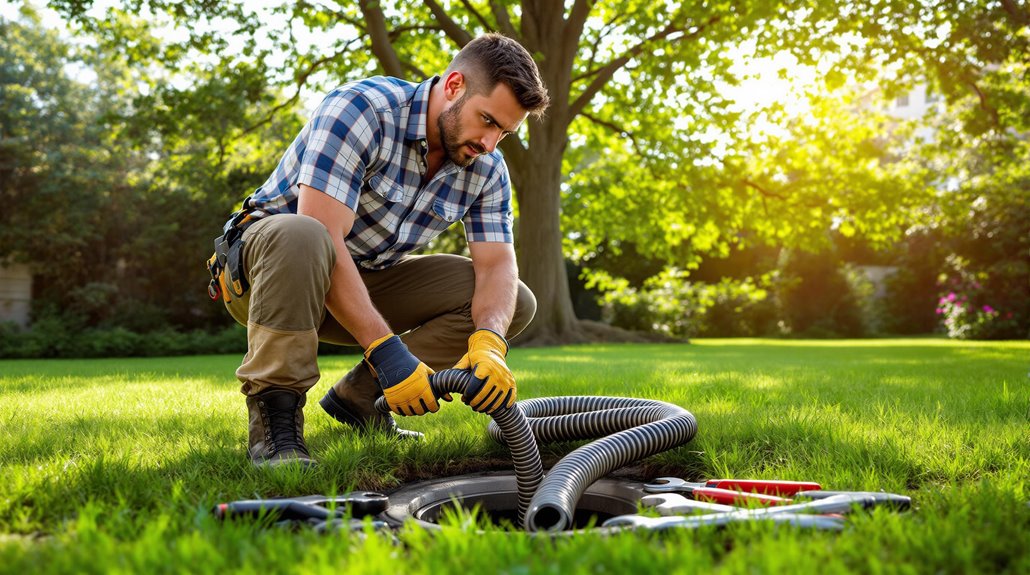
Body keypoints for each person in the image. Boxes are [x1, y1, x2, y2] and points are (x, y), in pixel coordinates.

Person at [206, 34, 550, 468]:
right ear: (454, 85)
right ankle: (275, 425)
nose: (490, 143)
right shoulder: (363, 110)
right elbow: (324, 233)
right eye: (487, 120)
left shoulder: (485, 168)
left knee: (514, 300)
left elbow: (497, 263)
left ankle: (362, 397)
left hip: (365, 276)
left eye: (504, 131)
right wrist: (388, 352)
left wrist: (488, 344)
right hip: (269, 273)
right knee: (304, 234)